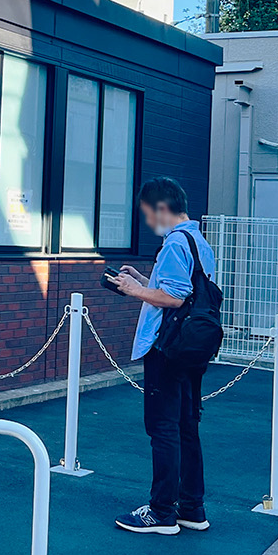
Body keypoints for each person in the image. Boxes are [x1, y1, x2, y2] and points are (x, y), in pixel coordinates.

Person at [106, 177, 216, 536]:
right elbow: (187, 287)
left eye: (149, 215)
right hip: (192, 346)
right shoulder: (198, 241)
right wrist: (143, 278)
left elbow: (176, 296)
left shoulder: (173, 243)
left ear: (162, 208)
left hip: (166, 347)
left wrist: (136, 290)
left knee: (163, 428)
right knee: (187, 427)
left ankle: (161, 512)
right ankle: (191, 508)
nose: (149, 223)